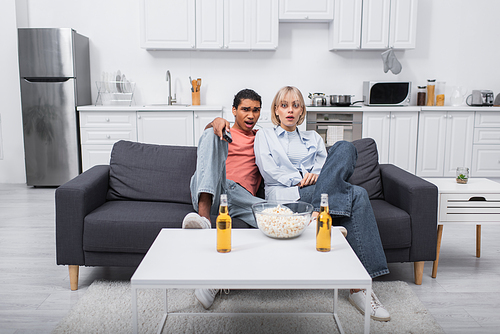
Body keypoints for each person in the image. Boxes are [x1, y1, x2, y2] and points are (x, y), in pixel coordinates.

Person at [254, 86, 391, 322]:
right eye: (284, 105)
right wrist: (300, 179)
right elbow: (269, 170)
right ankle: (361, 288)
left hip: (317, 190)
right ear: (276, 110)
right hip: (288, 195)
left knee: (346, 146)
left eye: (295, 105)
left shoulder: (313, 137)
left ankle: (318, 212)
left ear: (302, 111)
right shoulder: (264, 136)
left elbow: (326, 170)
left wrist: (317, 177)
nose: (290, 110)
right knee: (357, 194)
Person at [182, 88, 265, 309]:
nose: (250, 115)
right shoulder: (223, 129)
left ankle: (213, 278)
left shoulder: (262, 138)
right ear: (234, 110)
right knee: (211, 134)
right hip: (213, 188)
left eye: (256, 110)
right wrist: (216, 122)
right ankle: (204, 217)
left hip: (238, 200)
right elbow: (213, 131)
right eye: (245, 109)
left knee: (274, 214)